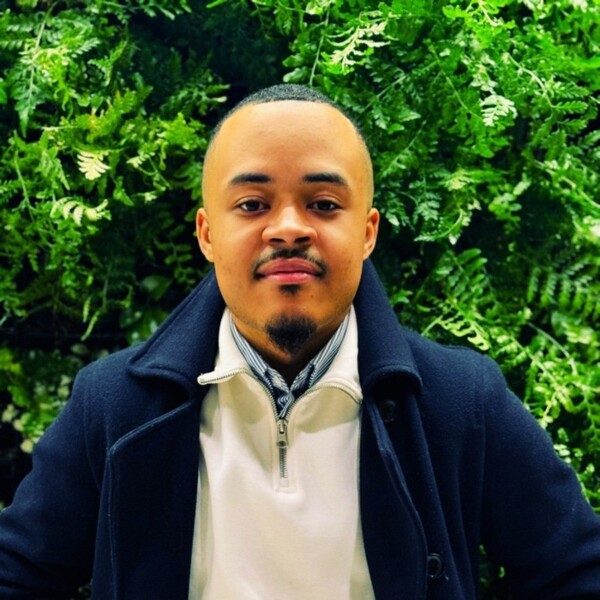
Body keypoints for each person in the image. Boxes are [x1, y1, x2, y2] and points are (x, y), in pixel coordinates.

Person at [0, 84, 599, 600]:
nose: (288, 228)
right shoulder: (114, 408)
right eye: (252, 204)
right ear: (207, 234)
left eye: (323, 204)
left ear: (367, 232)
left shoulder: (461, 401)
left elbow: (577, 573)